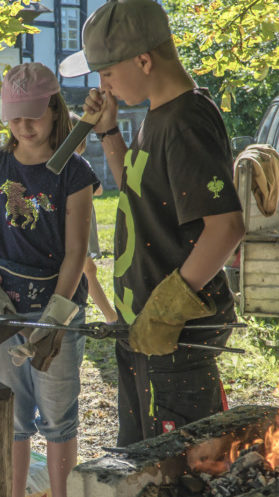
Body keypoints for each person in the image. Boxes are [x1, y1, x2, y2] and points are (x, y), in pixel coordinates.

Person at [61, 0, 245, 445]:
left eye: (107, 72)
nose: (102, 85)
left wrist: (168, 309)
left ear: (143, 60)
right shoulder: (158, 114)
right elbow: (138, 188)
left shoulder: (185, 121)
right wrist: (108, 132)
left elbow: (226, 226)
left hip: (174, 338)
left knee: (182, 471)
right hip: (143, 332)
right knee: (143, 458)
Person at [0, 62, 94, 497]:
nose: (24, 128)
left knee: (59, 418)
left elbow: (76, 252)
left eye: (33, 118)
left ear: (54, 111)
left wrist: (55, 319)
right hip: (4, 308)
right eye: (15, 120)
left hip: (54, 308)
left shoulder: (73, 172)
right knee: (14, 418)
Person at [69, 113, 117, 323]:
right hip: (79, 221)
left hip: (74, 221)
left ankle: (111, 316)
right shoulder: (78, 164)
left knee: (87, 268)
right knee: (88, 268)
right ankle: (112, 318)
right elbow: (98, 190)